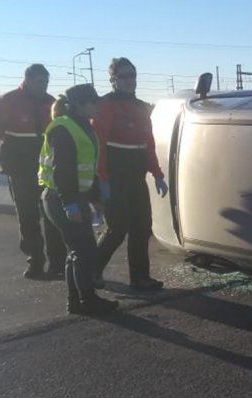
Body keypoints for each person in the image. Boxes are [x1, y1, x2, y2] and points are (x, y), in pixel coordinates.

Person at [0, 64, 67, 279]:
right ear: (27, 80)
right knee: (27, 215)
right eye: (40, 82)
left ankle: (58, 262)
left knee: (51, 214)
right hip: (19, 168)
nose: (44, 86)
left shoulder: (51, 103)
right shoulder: (5, 102)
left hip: (45, 167)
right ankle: (35, 261)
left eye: (46, 82)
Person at [39, 84, 118, 314]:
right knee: (84, 251)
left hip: (72, 197)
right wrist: (70, 204)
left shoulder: (82, 127)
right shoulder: (63, 129)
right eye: (94, 102)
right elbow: (62, 171)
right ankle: (86, 300)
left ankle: (76, 301)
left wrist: (94, 198)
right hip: (61, 198)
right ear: (81, 105)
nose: (99, 106)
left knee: (77, 251)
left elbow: (86, 169)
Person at [91, 57, 168, 291]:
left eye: (132, 75)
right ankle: (91, 270)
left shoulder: (140, 106)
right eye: (124, 76)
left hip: (136, 175)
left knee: (142, 226)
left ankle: (140, 277)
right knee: (117, 227)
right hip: (115, 175)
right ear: (113, 80)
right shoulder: (105, 105)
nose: (130, 81)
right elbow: (99, 144)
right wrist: (102, 179)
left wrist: (157, 173)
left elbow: (149, 143)